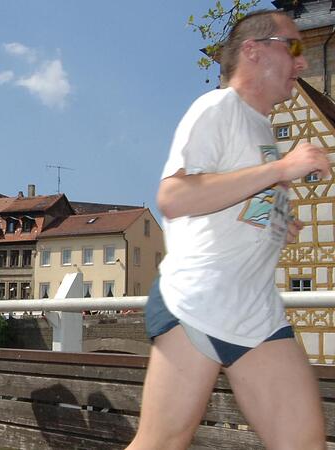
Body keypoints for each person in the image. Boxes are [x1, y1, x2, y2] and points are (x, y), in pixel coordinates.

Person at [128, 10, 328, 450]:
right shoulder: (217, 107)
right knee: (161, 443)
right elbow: (175, 197)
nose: (303, 61)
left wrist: (275, 223)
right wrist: (282, 167)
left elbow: (230, 203)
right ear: (253, 51)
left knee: (305, 443)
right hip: (199, 303)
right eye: (293, 46)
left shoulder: (261, 128)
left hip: (256, 311)